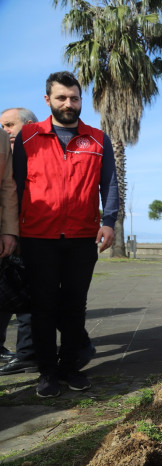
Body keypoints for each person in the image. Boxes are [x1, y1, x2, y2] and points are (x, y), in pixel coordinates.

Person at [12, 71, 119, 397]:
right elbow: (13, 187)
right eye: (61, 98)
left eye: (74, 97)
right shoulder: (29, 136)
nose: (69, 103)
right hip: (37, 237)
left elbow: (110, 184)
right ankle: (47, 372)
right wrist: (10, 231)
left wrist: (109, 221)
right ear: (48, 100)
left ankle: (70, 367)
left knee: (75, 306)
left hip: (81, 237)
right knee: (42, 307)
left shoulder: (98, 139)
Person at [0, 108, 37, 373]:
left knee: (27, 296)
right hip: (9, 234)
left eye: (10, 125)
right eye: (3, 126)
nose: (6, 130)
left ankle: (27, 353)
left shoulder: (40, 154)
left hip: (33, 235)